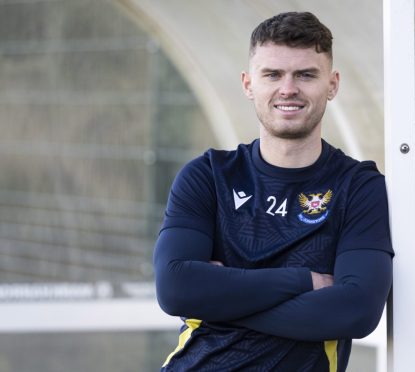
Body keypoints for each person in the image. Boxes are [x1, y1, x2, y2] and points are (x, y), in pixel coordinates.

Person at [153, 11, 393, 372]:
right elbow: (175, 288)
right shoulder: (208, 176)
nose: (288, 89)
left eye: (306, 74)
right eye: (272, 74)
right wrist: (303, 281)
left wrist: (218, 302)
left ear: (332, 84)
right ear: (249, 84)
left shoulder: (358, 187)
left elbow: (356, 311)